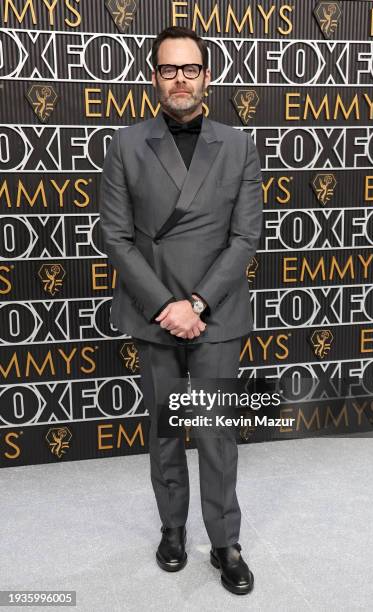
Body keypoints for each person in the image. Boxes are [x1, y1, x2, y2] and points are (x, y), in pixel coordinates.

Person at [99, 25, 263, 595]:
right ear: (154, 79)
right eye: (169, 70)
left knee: (217, 431)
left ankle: (224, 541)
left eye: (190, 69)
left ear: (207, 77)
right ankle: (172, 529)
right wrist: (167, 305)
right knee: (166, 427)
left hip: (215, 311)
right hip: (154, 312)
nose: (180, 80)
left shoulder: (239, 145)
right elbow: (115, 237)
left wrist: (196, 302)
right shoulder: (125, 144)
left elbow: (245, 237)